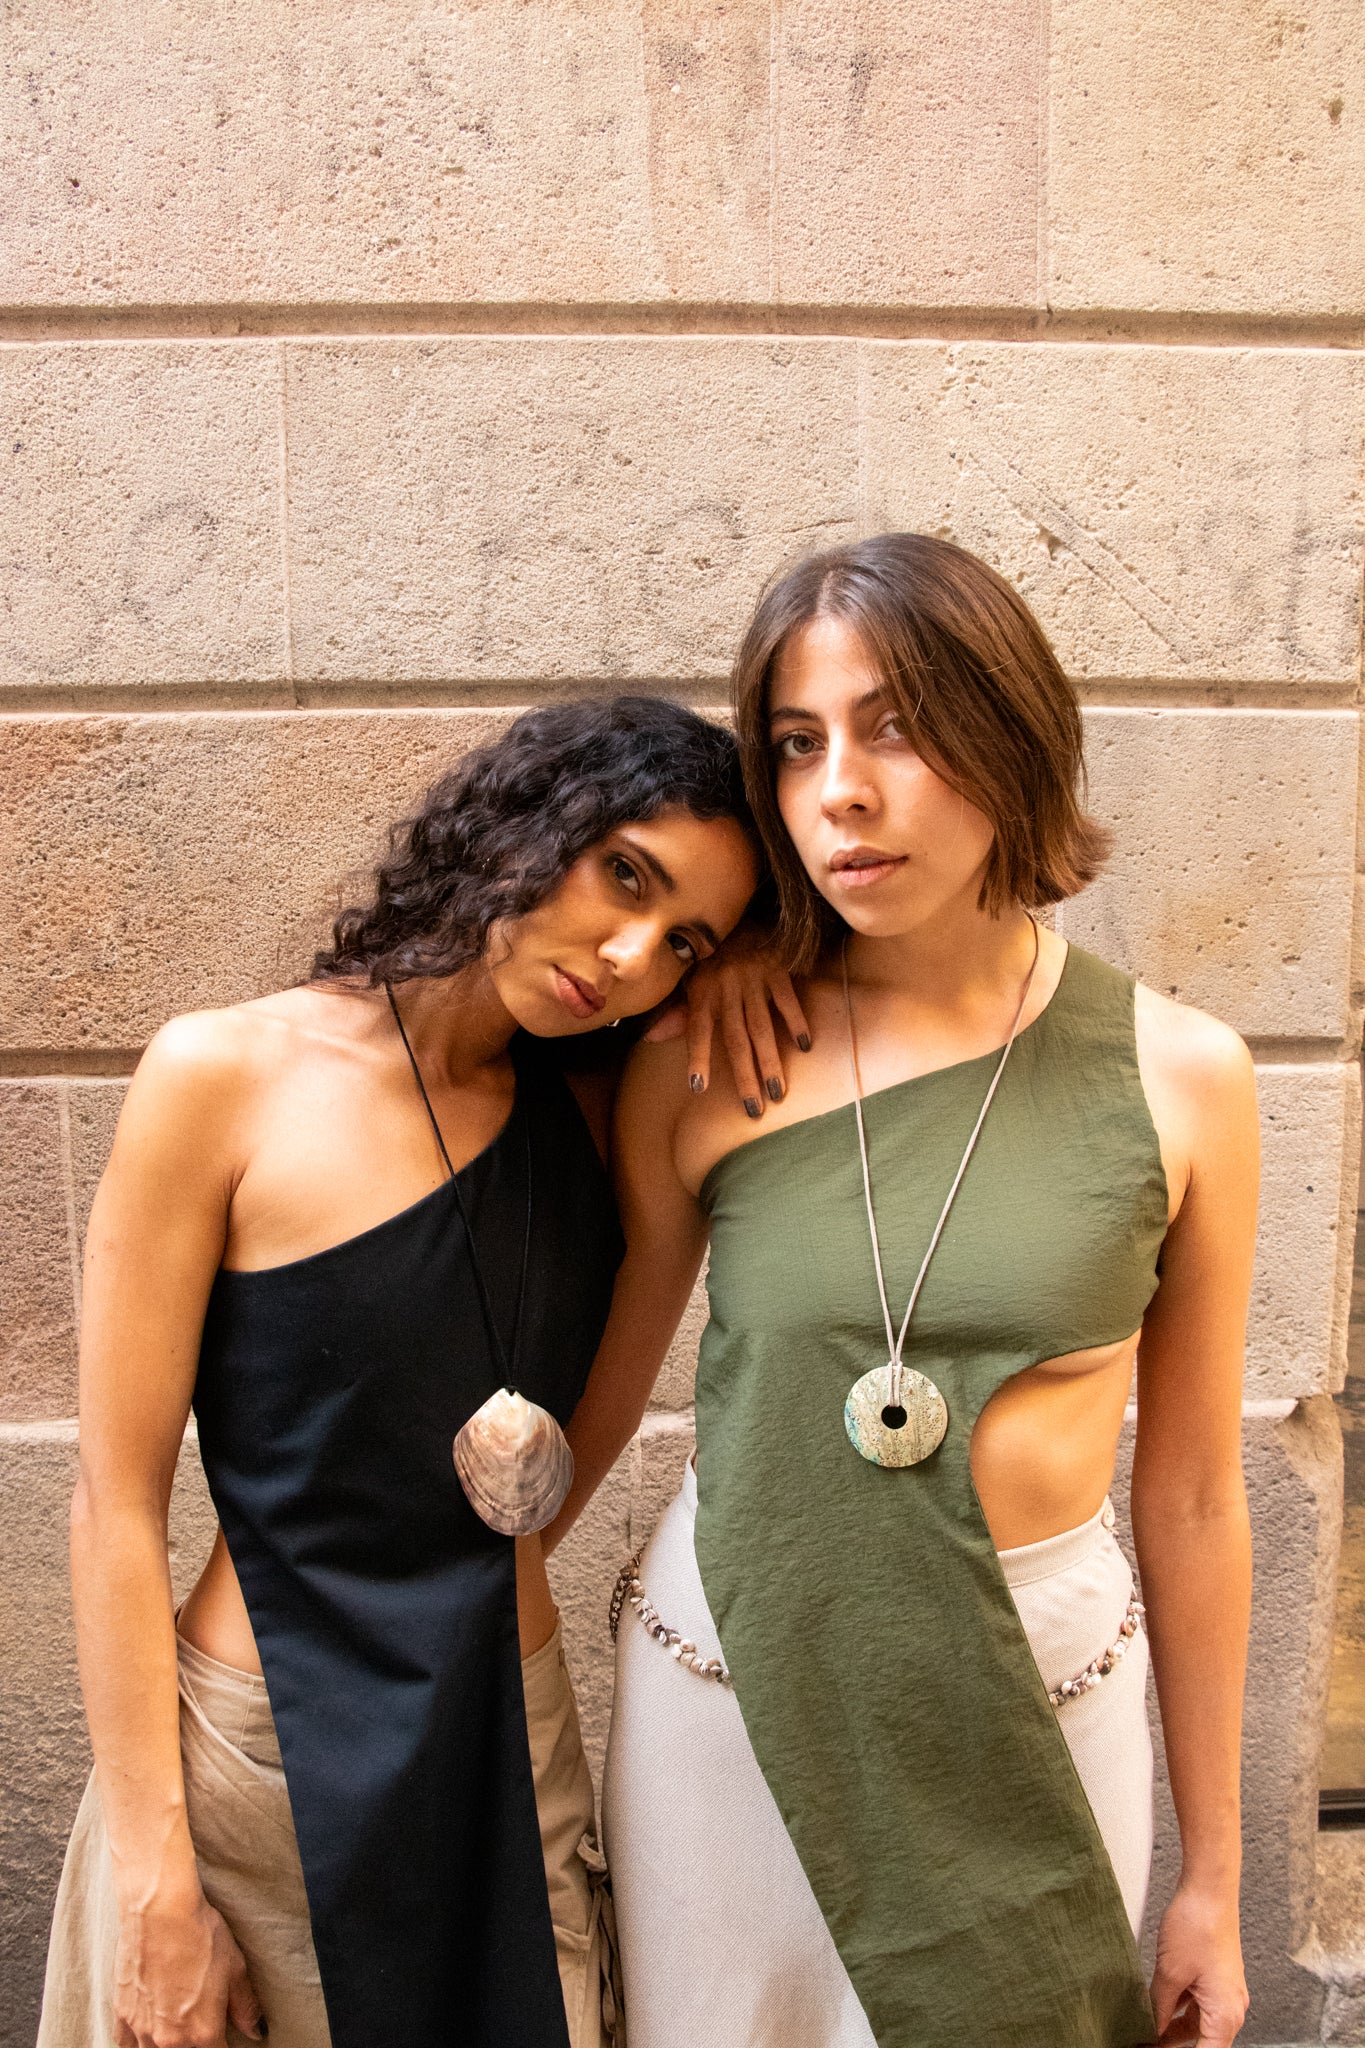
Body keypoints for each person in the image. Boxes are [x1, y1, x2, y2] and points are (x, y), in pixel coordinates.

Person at [552, 537, 1258, 2048]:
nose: (841, 794)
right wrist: (455, 1623)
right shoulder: (708, 1055)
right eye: (796, 744)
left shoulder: (1185, 1076)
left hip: (1040, 1696)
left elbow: (1197, 1494)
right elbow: (596, 1393)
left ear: (1009, 734)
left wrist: (1217, 1875)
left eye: (893, 729)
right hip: (733, 1694)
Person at [37, 697, 768, 2048]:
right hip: (258, 1764)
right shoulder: (224, 1076)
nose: (628, 958)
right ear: (526, 819)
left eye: (686, 942)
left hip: (506, 1744)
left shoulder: (610, 1111)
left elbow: (589, 1434)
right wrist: (155, 1885)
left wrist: (747, 971)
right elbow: (115, 1502)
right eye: (624, 875)